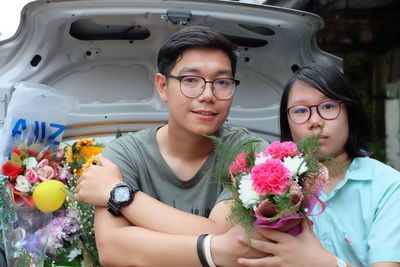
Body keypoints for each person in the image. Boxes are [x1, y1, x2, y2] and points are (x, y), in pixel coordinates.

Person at [75, 26, 269, 266]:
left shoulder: (250, 152)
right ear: (163, 86)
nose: (208, 94)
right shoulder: (125, 154)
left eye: (222, 82)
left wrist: (119, 194)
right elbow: (113, 250)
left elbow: (220, 232)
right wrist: (215, 250)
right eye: (190, 80)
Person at [236, 63, 400, 267]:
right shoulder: (267, 185)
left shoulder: (389, 187)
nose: (315, 121)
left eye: (328, 106)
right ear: (287, 121)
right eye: (301, 110)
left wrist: (321, 263)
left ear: (350, 112)